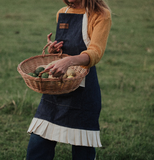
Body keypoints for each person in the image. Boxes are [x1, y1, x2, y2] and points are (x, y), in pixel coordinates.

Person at [26, 0, 112, 159]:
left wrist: (69, 61)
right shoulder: (62, 13)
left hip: (83, 92)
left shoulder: (101, 15)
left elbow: (95, 52)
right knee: (38, 145)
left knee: (82, 151)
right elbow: (64, 51)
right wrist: (55, 50)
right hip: (57, 86)